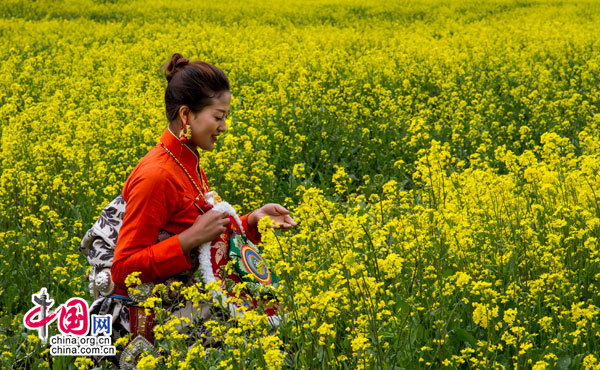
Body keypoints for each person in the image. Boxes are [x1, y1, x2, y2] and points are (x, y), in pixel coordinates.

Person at [81, 53, 296, 368]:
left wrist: (252, 221)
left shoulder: (187, 160)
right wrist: (190, 238)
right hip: (157, 326)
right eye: (218, 116)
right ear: (186, 115)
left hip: (188, 310)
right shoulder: (156, 175)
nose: (224, 127)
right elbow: (124, 269)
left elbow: (204, 240)